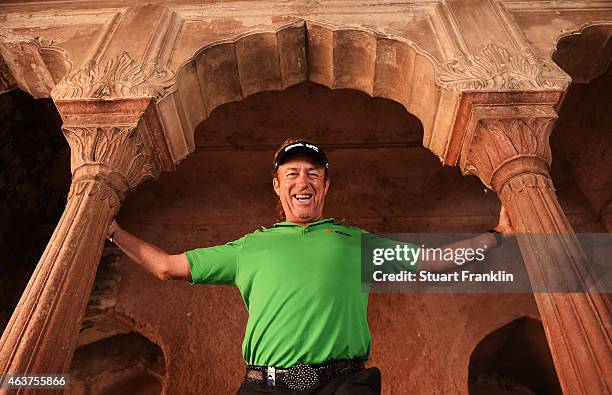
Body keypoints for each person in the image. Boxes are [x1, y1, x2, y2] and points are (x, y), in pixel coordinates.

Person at [107, 139, 514, 394]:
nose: (303, 181)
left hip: (342, 384)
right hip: (267, 386)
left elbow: (430, 261)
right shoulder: (250, 247)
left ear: (325, 185)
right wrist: (110, 231)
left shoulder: (354, 241)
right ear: (278, 185)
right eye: (293, 173)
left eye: (313, 174)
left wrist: (496, 235)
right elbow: (165, 266)